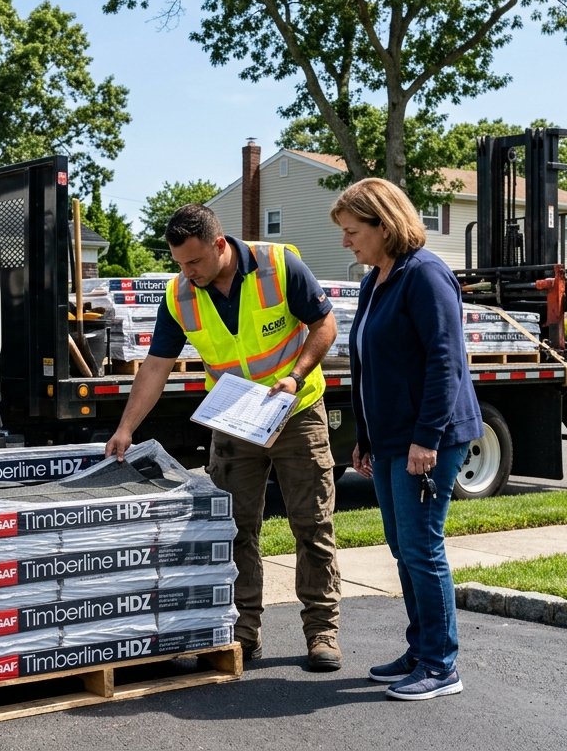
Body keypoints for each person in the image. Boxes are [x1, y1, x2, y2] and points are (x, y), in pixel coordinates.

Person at [105, 204, 344, 672]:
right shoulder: (180, 295)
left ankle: (322, 633)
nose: (186, 271)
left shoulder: (278, 266)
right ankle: (241, 635)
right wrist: (126, 427)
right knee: (235, 529)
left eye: (193, 261)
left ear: (220, 245)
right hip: (235, 420)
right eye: (178, 262)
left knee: (312, 526)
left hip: (296, 411)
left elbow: (325, 326)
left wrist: (295, 376)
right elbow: (156, 366)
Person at [332, 178, 482, 700]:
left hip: (429, 438)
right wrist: (366, 436)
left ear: (383, 222)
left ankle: (442, 666)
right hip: (392, 438)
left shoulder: (426, 275)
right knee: (403, 548)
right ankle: (421, 649)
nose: (347, 242)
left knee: (422, 547)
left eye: (353, 231)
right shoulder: (377, 279)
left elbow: (446, 361)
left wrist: (427, 439)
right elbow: (369, 363)